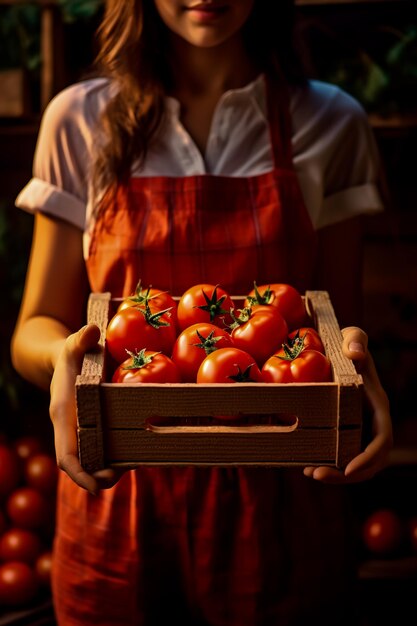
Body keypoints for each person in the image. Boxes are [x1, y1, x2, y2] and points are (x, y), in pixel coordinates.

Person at [11, 0, 393, 624]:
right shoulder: (78, 119)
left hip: (284, 500)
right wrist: (64, 359)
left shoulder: (330, 121)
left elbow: (338, 328)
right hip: (117, 496)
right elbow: (32, 329)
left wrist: (359, 373)